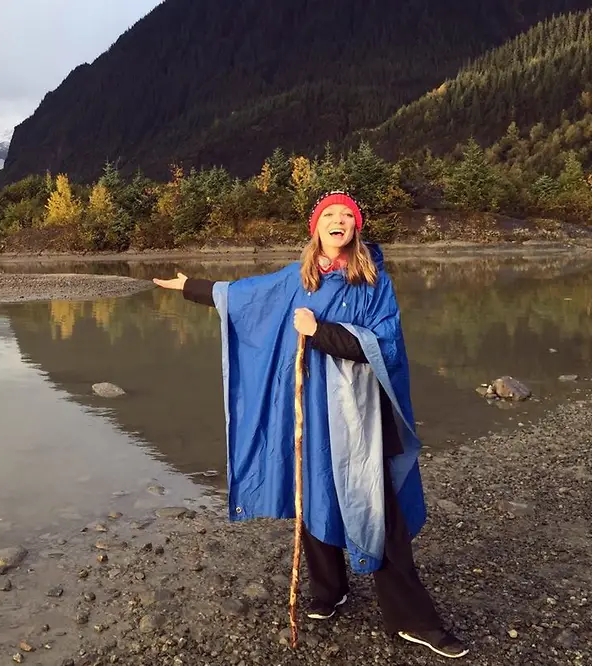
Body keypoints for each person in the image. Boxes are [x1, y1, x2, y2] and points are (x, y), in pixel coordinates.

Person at [152, 191, 468, 659]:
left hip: (361, 418)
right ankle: (330, 590)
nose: (339, 221)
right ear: (315, 226)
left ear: (356, 228)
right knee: (313, 492)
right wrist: (190, 287)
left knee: (377, 510)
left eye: (347, 216)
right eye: (330, 215)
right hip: (309, 412)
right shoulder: (295, 280)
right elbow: (244, 296)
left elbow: (385, 347)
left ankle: (412, 619)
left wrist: (318, 332)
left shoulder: (372, 280)